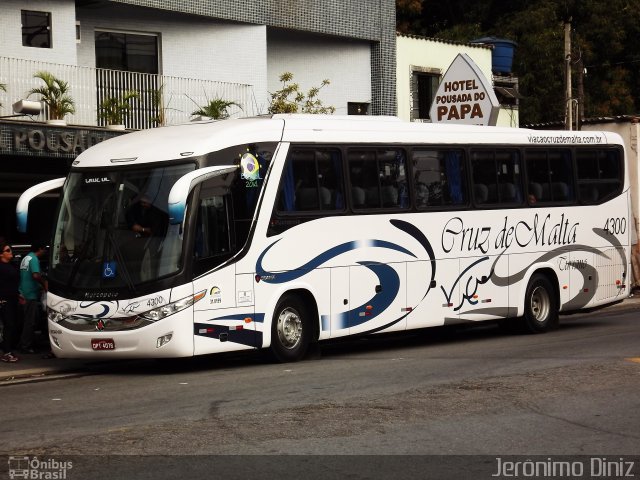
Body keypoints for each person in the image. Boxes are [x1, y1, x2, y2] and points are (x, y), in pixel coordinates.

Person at [18, 242, 48, 354]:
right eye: (44, 249)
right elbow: (35, 275)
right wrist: (44, 283)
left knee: (26, 321)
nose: (45, 252)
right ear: (40, 248)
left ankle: (22, 343)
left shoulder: (26, 258)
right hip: (30, 294)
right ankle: (25, 346)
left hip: (23, 292)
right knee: (30, 322)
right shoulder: (34, 259)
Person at [0, 242, 20, 362]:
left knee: (13, 324)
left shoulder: (11, 265)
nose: (10, 252)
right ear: (1, 254)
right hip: (4, 300)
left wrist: (19, 294)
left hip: (13, 298)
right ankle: (6, 352)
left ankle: (8, 349)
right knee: (8, 325)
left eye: (10, 250)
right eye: (7, 250)